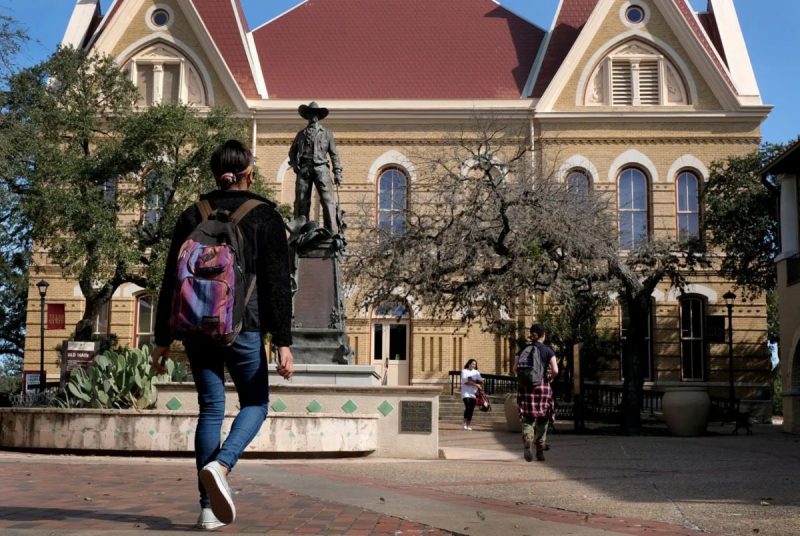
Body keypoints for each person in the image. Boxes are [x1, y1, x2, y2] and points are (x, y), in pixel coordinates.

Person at [151, 140, 294, 530]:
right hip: (243, 327)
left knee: (211, 408)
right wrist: (283, 342)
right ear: (248, 171)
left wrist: (162, 339)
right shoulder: (264, 216)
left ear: (216, 173)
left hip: (196, 327)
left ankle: (206, 510)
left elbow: (169, 280)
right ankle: (223, 463)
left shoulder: (191, 214)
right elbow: (279, 283)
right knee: (256, 403)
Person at [288, 101, 343, 235]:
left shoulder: (327, 133)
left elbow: (334, 154)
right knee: (302, 200)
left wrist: (337, 172)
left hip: (321, 168)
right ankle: (300, 232)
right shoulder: (301, 134)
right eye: (310, 113)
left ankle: (332, 233)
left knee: (327, 199)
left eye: (315, 114)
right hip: (305, 169)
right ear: (307, 115)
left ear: (318, 116)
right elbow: (292, 152)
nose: (313, 116)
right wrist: (295, 164)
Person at [514, 324, 558, 462]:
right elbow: (555, 370)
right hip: (543, 386)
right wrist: (550, 378)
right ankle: (540, 449)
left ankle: (528, 437)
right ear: (543, 335)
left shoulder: (522, 350)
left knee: (528, 418)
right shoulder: (547, 350)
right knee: (544, 418)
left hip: (526, 387)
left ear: (531, 335)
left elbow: (515, 369)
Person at [460, 359, 484, 430]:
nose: (474, 365)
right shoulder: (464, 371)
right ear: (469, 364)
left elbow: (481, 381)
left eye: (475, 364)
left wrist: (476, 382)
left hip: (474, 393)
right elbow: (465, 381)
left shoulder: (476, 372)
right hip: (466, 392)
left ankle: (468, 424)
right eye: (472, 364)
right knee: (467, 407)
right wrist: (475, 383)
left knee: (471, 409)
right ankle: (464, 423)